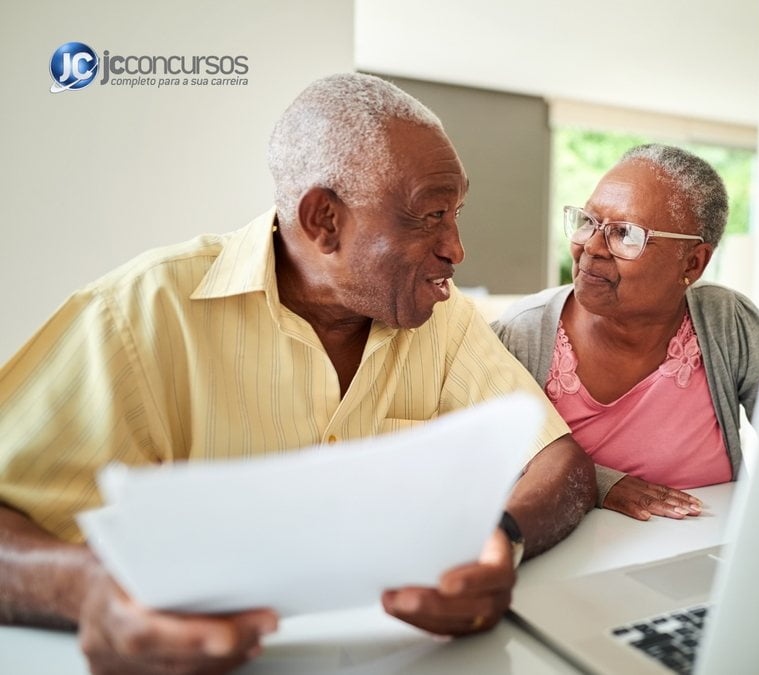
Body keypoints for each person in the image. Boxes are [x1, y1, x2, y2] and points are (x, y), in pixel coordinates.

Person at [0, 73, 596, 674]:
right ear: (324, 221)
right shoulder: (137, 313)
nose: (456, 248)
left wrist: (501, 539)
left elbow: (558, 461)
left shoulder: (443, 319)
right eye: (430, 215)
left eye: (457, 212)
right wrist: (88, 592)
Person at [493, 144, 759, 521]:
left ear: (693, 262)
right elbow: (488, 457)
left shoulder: (726, 320)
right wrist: (602, 484)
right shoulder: (522, 333)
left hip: (706, 553)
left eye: (625, 234)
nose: (591, 245)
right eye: (589, 220)